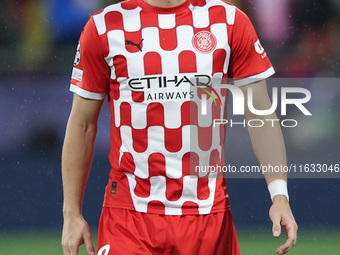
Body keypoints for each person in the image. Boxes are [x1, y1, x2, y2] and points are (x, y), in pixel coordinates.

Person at [61, 0, 298, 255]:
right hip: (129, 218)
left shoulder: (229, 21)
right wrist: (71, 213)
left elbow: (260, 115)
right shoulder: (104, 26)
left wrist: (279, 195)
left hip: (208, 218)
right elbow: (83, 124)